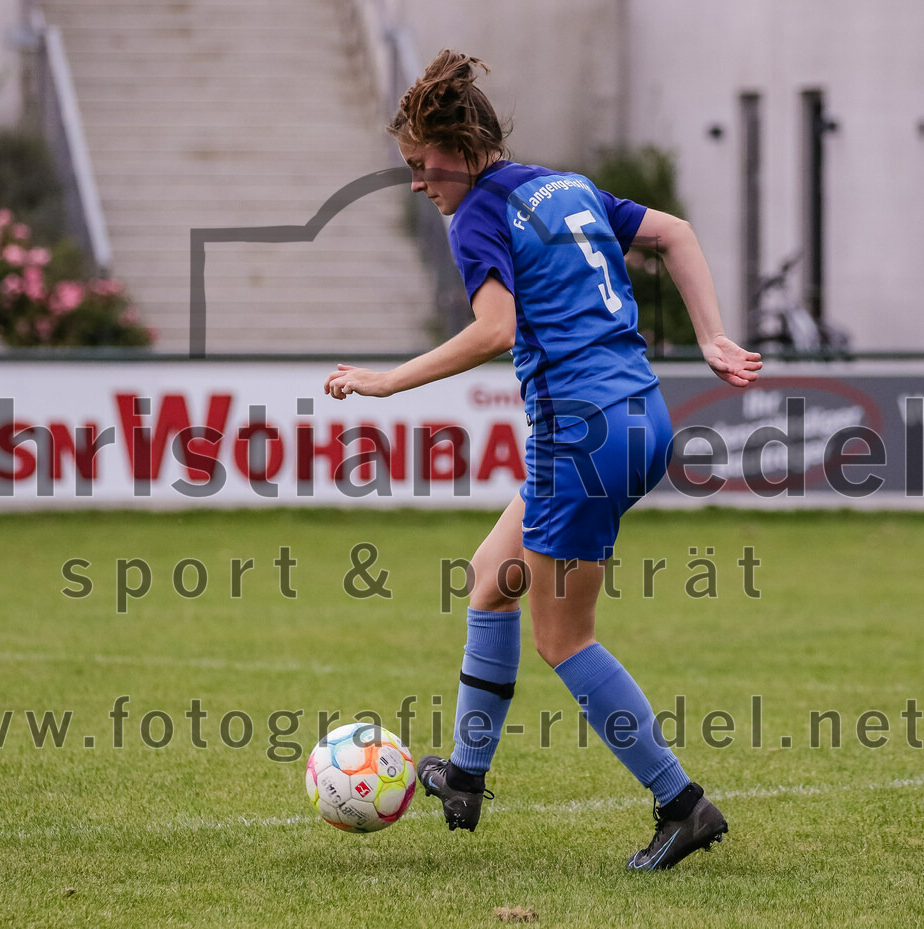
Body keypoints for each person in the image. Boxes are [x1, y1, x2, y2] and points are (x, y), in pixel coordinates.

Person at [324, 50, 761, 870]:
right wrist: (709, 336)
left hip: (579, 434)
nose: (420, 183)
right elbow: (675, 232)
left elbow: (494, 329)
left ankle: (681, 803)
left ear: (460, 147)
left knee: (564, 638)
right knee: (493, 574)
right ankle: (465, 775)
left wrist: (387, 382)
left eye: (424, 167)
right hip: (639, 419)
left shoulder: (477, 215)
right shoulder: (562, 186)